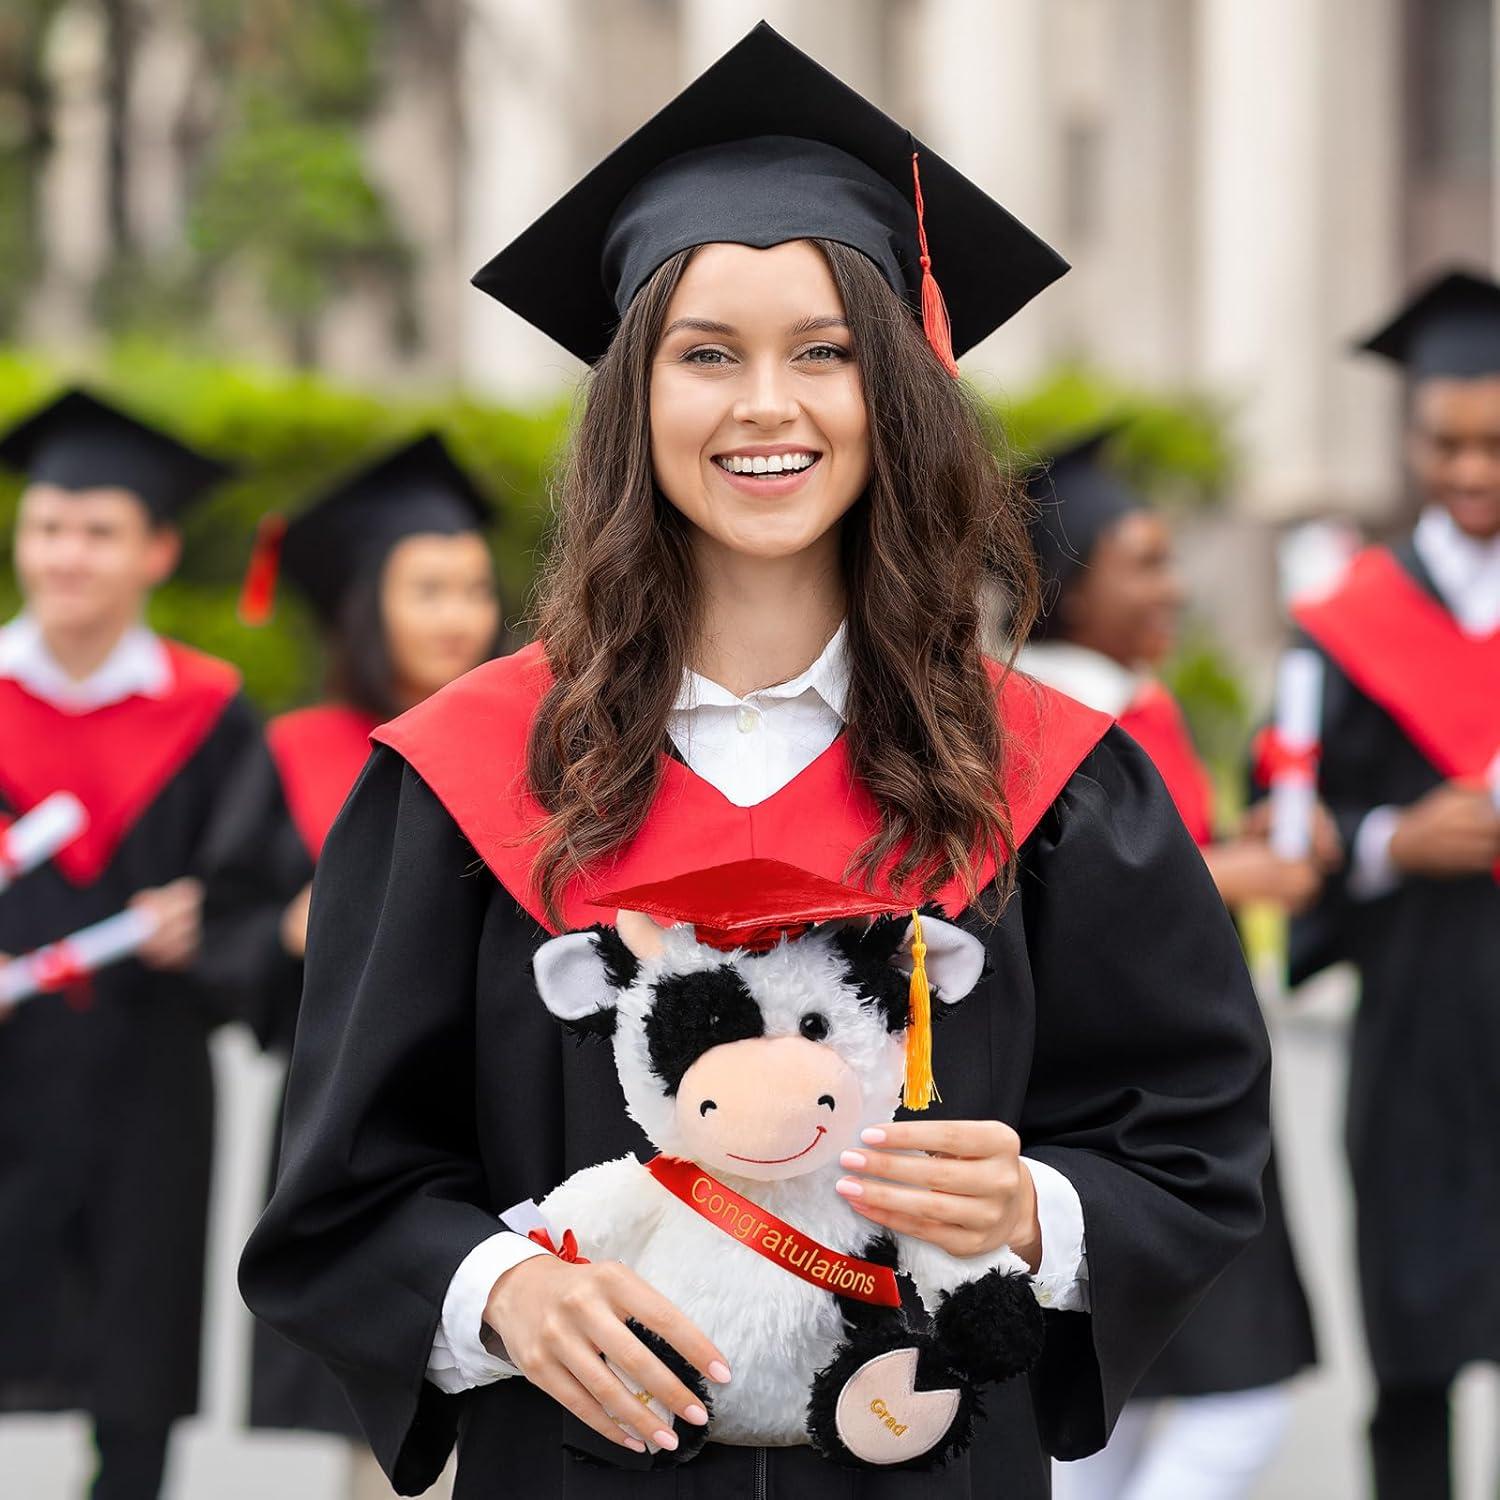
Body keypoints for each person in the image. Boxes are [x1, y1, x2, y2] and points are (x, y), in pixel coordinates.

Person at [238, 25, 1273, 1499]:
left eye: (827, 354)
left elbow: (1193, 1140)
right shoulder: (463, 779)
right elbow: (345, 1188)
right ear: (634, 398)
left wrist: (1040, 1210)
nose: (766, 406)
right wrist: (501, 1293)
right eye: (705, 354)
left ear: (894, 397)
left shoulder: (1045, 778)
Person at [1018, 429, 1320, 1500]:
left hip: (1172, 1086)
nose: (1175, 588)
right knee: (1222, 1406)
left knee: (1127, 1419)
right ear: (1066, 588)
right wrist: (1231, 873)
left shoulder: (1128, 702)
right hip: (1124, 1104)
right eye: (1143, 562)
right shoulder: (1053, 724)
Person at [203, 433, 501, 1495]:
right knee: (389, 1408)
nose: (460, 615)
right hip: (362, 1108)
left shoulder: (538, 741)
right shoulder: (296, 752)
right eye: (428, 590)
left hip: (505, 1102)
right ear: (366, 607)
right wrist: (291, 932)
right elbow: (225, 932)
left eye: (473, 587)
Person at [0, 389, 271, 1500]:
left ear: (157, 549)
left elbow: (265, 891)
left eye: (98, 530)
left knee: (135, 1355)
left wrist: (207, 928)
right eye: (47, 526)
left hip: (143, 1079)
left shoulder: (208, 712)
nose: (66, 554)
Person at [1269, 269, 1500, 1500]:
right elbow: (1296, 810)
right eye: (1445, 442)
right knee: (1412, 1353)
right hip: (1414, 1026)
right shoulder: (1349, 623)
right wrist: (1389, 843)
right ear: (1409, 437)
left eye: (1496, 444)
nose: (1470, 471)